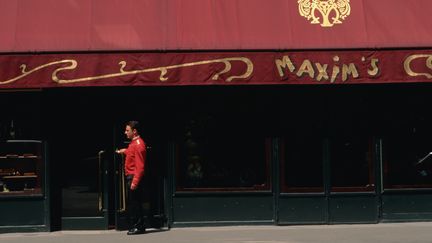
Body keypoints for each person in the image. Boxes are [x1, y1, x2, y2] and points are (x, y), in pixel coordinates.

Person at [116, 120, 147, 235]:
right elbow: (132, 152)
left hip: (133, 177)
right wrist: (125, 151)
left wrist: (135, 182)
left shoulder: (139, 145)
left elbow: (140, 167)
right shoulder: (134, 143)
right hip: (132, 176)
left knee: (135, 203)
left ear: (134, 131)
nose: (125, 132)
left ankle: (138, 226)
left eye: (127, 130)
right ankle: (139, 225)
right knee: (135, 202)